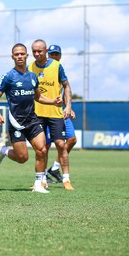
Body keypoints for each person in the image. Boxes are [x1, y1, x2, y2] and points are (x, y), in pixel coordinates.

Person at [0, 44, 62, 193]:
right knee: (23, 158)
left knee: (42, 150)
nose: (20, 56)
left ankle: (38, 184)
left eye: (22, 54)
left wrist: (53, 101)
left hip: (33, 120)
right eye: (16, 54)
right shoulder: (8, 77)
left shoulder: (32, 77)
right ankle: (3, 150)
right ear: (12, 57)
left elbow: (39, 97)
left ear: (26, 56)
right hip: (16, 123)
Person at [28, 39, 74, 190]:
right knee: (41, 148)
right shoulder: (30, 67)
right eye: (34, 51)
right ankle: (41, 180)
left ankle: (66, 179)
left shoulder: (57, 66)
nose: (37, 54)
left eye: (40, 51)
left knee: (61, 144)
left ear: (45, 51)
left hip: (55, 113)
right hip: (37, 114)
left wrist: (68, 106)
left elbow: (66, 86)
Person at [45, 44, 77, 183]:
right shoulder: (43, 69)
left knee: (72, 139)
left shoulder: (59, 70)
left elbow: (65, 89)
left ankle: (55, 167)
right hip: (45, 112)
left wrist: (69, 107)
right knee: (45, 146)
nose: (54, 56)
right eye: (51, 54)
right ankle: (42, 176)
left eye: (56, 54)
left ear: (60, 55)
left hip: (59, 112)